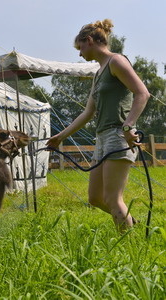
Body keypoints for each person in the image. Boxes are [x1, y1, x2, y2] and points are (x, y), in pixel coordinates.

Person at [46, 19, 150, 232]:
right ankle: (130, 223)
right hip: (102, 137)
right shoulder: (99, 73)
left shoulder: (116, 61)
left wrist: (129, 126)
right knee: (95, 198)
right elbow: (88, 112)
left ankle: (129, 244)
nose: (79, 53)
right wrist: (60, 137)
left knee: (113, 198)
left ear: (90, 41)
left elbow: (143, 93)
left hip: (118, 135)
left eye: (80, 47)